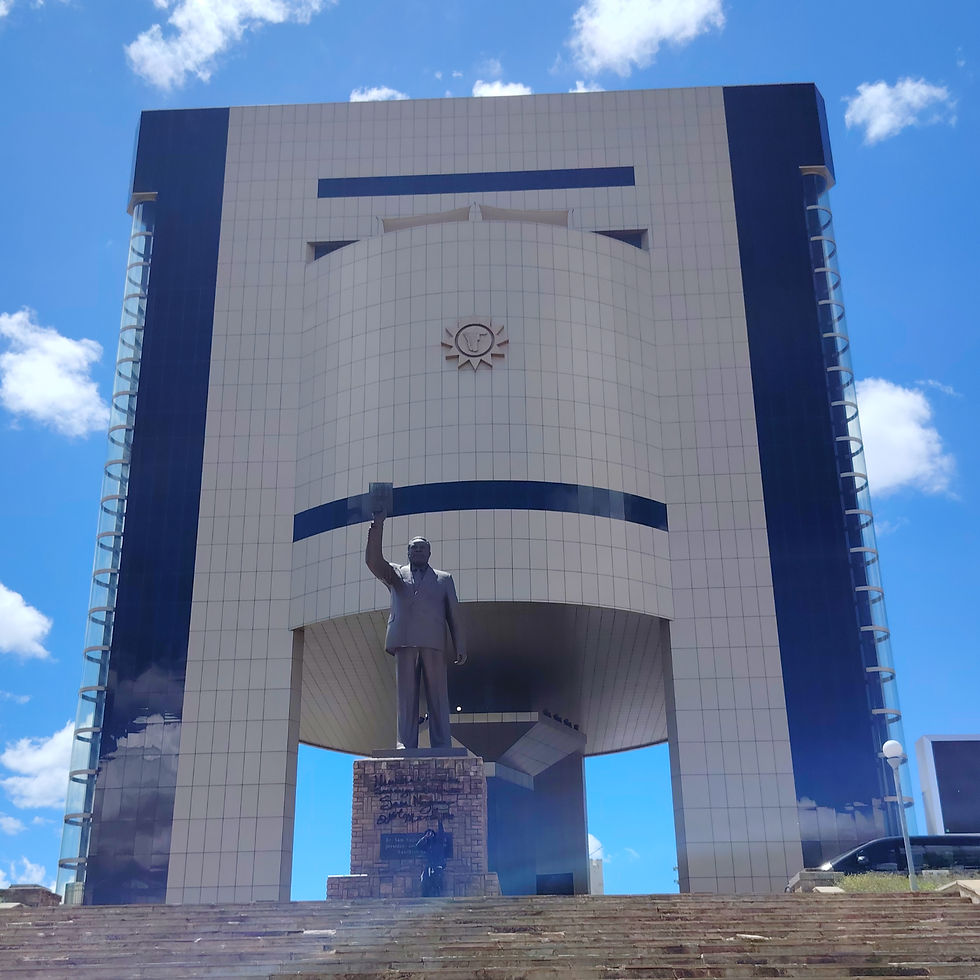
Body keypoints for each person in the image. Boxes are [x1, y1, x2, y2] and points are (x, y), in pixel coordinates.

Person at [365, 513, 466, 749]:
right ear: (407, 553)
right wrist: (377, 525)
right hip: (405, 641)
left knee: (438, 697)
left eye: (422, 548)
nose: (418, 551)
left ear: (429, 553)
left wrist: (460, 643)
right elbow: (373, 561)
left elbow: (454, 613)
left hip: (433, 642)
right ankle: (405, 743)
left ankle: (441, 744)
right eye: (414, 548)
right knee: (406, 697)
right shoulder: (396, 574)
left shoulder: (444, 579)